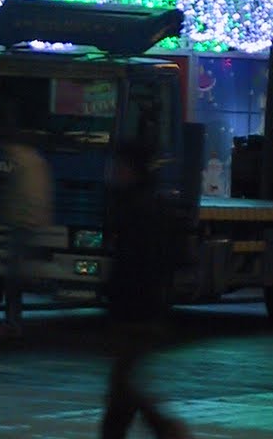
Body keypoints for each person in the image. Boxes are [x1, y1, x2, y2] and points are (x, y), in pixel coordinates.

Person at [100, 139, 191, 439]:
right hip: (146, 307)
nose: (114, 173)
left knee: (123, 387)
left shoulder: (135, 207)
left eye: (120, 168)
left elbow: (131, 261)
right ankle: (164, 429)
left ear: (131, 170)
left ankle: (167, 430)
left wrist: (113, 293)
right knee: (122, 389)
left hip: (134, 310)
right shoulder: (154, 204)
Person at [0, 124, 53, 339]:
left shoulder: (20, 163)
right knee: (17, 274)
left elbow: (23, 198)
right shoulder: (36, 161)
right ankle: (13, 321)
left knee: (13, 277)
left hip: (21, 226)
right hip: (27, 225)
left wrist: (5, 217)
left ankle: (12, 323)